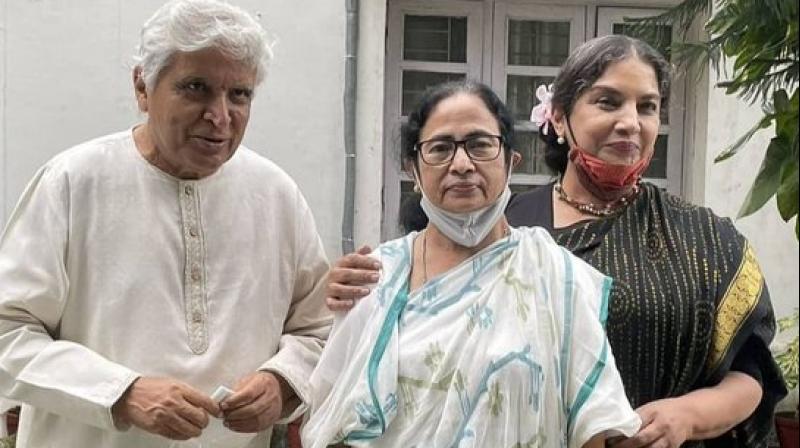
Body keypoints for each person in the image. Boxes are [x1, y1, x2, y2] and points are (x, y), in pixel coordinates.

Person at [325, 35, 787, 447]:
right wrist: (357, 289)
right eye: (608, 102)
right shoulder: (499, 230)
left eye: (647, 106)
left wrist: (686, 415)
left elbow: (752, 375)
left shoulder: (706, 239)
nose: (631, 122)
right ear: (561, 118)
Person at [0, 1, 331, 447]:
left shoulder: (276, 195)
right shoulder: (74, 182)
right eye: (196, 88)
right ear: (142, 86)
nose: (220, 115)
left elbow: (318, 330)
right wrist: (121, 393)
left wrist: (283, 380)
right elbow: (8, 332)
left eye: (240, 94)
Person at [302, 80, 642, 447]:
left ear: (511, 160)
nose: (461, 164)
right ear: (412, 169)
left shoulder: (556, 277)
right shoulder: (375, 279)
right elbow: (332, 416)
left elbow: (591, 424)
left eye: (480, 145)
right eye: (440, 148)